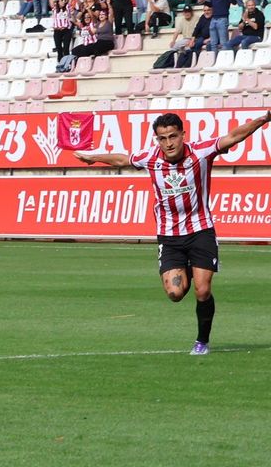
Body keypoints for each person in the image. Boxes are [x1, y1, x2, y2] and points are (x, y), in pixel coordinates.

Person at [74, 111, 271, 354]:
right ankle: (189, 268)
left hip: (200, 230)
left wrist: (264, 119)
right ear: (157, 139)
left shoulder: (200, 152)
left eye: (173, 136)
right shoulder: (150, 158)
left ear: (182, 135)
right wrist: (93, 158)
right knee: (175, 293)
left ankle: (202, 341)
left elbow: (233, 137)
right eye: (162, 138)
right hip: (169, 237)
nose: (168, 143)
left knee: (203, 290)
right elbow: (122, 159)